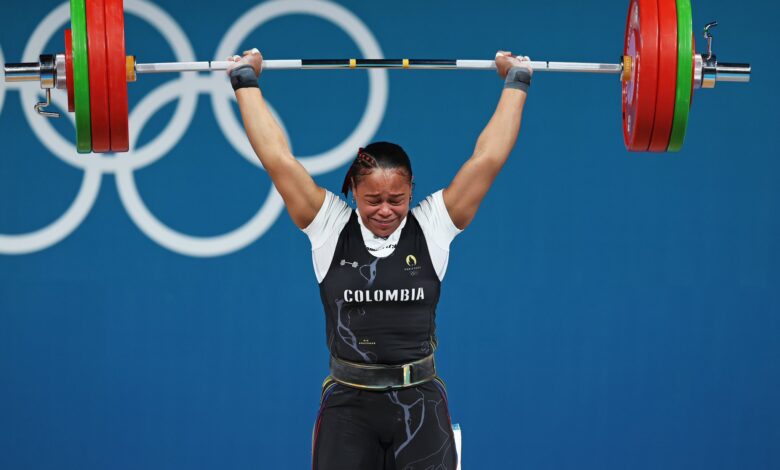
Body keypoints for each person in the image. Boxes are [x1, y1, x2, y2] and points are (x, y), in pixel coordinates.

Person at [226, 48, 532, 470]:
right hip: (349, 407)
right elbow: (277, 158)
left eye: (397, 199)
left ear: (412, 192)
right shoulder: (329, 226)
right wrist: (245, 81)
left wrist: (516, 82)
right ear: (352, 191)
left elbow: (489, 158)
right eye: (373, 200)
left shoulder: (433, 226)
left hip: (420, 403)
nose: (385, 210)